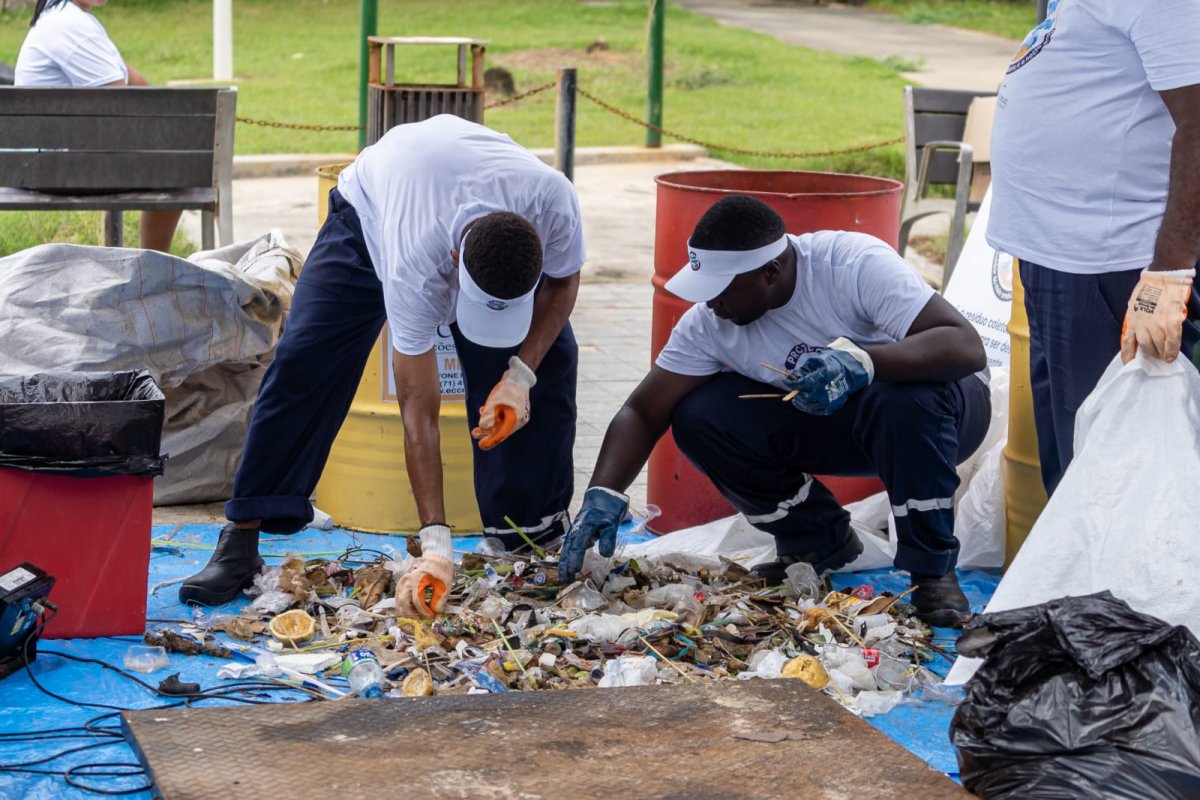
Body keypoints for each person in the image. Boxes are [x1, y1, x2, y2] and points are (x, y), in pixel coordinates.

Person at [180, 114, 585, 616]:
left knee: (552, 358)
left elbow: (564, 283)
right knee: (305, 361)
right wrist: (435, 543)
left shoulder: (554, 200)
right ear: (455, 262)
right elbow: (420, 408)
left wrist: (519, 377)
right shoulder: (415, 264)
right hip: (369, 212)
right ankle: (242, 537)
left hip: (447, 189)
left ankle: (529, 537)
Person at [559, 195, 990, 628]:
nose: (711, 304)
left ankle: (932, 571)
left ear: (770, 271)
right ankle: (818, 539)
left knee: (902, 400)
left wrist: (866, 362)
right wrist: (604, 492)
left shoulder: (852, 264)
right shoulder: (710, 323)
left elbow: (964, 346)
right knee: (698, 414)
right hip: (840, 427)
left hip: (942, 417)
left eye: (722, 290)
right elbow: (643, 410)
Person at [987, 0, 1200, 496]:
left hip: (1113, 268)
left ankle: (1112, 578)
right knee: (1069, 463)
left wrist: (1169, 274)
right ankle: (1078, 575)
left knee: (1109, 475)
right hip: (1058, 261)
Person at [14, 0, 180, 252]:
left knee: (178, 160)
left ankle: (152, 267)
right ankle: (153, 272)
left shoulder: (66, 18)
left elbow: (133, 81)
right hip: (56, 167)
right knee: (177, 167)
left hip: (45, 161)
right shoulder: (70, 24)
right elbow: (118, 106)